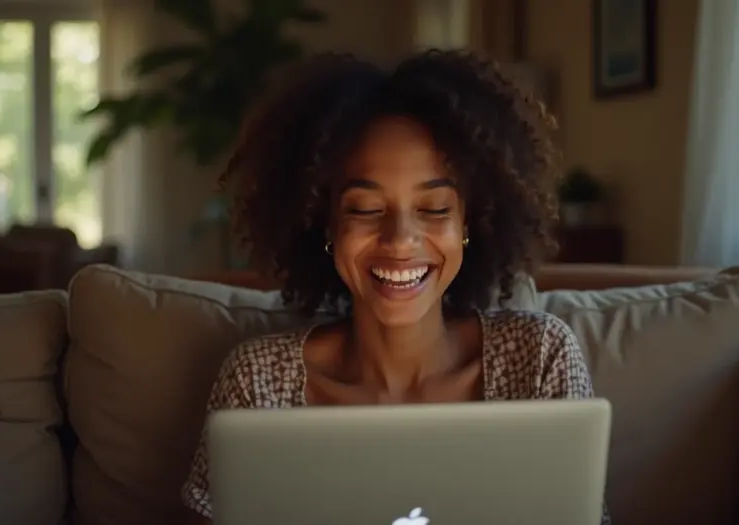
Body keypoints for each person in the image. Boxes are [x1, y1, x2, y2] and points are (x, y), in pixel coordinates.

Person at [181, 49, 610, 525]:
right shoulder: (257, 383)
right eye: (365, 208)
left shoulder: (540, 359)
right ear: (325, 225)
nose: (400, 240)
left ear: (470, 222)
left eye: (434, 208)